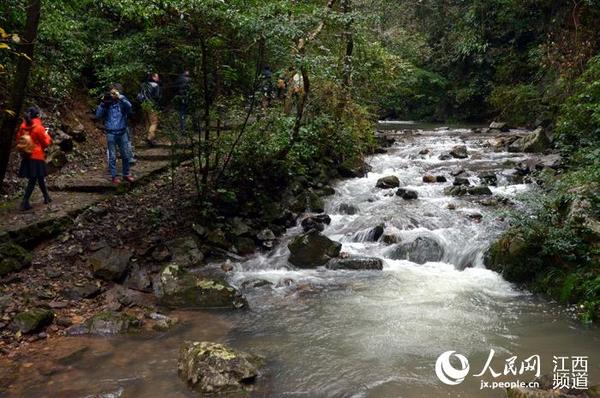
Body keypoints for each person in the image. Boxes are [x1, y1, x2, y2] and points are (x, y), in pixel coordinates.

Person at [15, 107, 52, 211]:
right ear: (37, 115)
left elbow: (19, 139)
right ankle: (25, 201)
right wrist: (47, 135)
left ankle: (46, 197)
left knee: (39, 176)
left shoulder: (22, 126)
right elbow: (45, 143)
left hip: (27, 155)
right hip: (37, 156)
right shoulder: (39, 128)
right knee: (33, 179)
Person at [95, 88, 134, 184]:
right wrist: (103, 103)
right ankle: (113, 176)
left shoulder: (122, 103)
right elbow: (98, 115)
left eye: (114, 93)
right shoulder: (106, 104)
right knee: (112, 156)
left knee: (126, 155)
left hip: (122, 131)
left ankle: (126, 174)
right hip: (111, 133)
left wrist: (120, 96)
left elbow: (129, 107)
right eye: (111, 93)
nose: (112, 95)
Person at [111, 83, 136, 164]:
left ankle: (114, 162)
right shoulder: (122, 98)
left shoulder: (117, 99)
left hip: (114, 125)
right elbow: (129, 108)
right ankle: (129, 158)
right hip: (121, 124)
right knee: (126, 141)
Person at [138, 72, 161, 147]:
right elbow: (157, 96)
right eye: (157, 76)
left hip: (143, 105)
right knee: (154, 122)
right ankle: (150, 138)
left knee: (147, 122)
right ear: (153, 77)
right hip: (151, 105)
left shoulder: (143, 84)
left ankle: (148, 138)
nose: (158, 78)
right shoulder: (155, 85)